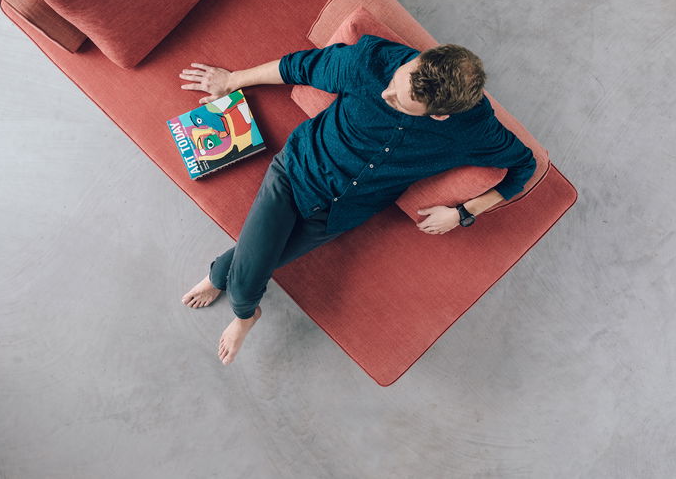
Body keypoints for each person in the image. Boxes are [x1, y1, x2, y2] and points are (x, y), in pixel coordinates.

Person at [178, 35, 536, 366]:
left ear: (440, 114)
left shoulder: (473, 130)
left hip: (340, 212)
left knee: (254, 262)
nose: (386, 94)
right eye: (396, 81)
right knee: (244, 286)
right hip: (295, 173)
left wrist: (462, 213)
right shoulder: (369, 62)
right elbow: (298, 67)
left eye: (398, 101)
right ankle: (246, 315)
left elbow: (524, 166)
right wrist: (233, 80)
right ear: (420, 59)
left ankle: (219, 275)